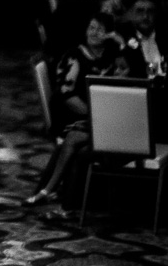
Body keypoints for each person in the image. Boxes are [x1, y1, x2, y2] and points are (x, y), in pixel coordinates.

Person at [24, 14, 123, 205]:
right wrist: (93, 114)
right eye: (91, 28)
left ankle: (58, 195)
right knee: (75, 139)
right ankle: (61, 197)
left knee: (78, 146)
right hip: (74, 117)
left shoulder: (113, 57)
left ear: (110, 33)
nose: (95, 33)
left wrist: (122, 45)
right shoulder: (74, 55)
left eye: (101, 29)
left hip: (103, 121)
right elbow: (64, 95)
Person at [123, 0, 168, 71]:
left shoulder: (167, 39)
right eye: (140, 11)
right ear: (131, 15)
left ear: (156, 14)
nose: (145, 16)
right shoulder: (123, 40)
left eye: (150, 11)